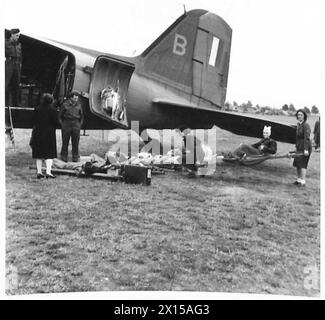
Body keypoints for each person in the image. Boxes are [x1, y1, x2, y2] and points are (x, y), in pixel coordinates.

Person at [31, 93, 59, 179]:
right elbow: (56, 122)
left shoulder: (37, 108)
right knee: (49, 154)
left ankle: (39, 172)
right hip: (49, 134)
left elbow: (33, 120)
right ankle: (48, 172)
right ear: (50, 100)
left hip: (37, 133)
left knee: (38, 154)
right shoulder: (53, 110)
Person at [59, 91, 84, 162]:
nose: (76, 99)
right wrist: (62, 124)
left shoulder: (79, 105)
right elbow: (60, 116)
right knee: (65, 141)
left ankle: (75, 157)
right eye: (75, 97)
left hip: (76, 124)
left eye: (77, 97)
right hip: (67, 124)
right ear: (71, 98)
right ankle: (64, 157)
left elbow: (81, 116)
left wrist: (79, 124)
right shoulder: (65, 105)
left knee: (75, 142)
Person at [293, 109, 312, 186]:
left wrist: (306, 149)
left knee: (303, 164)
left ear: (304, 116)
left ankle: (303, 182)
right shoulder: (299, 124)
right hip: (299, 147)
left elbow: (306, 138)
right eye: (298, 115)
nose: (299, 116)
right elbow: (297, 137)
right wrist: (296, 147)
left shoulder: (306, 125)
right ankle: (298, 180)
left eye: (301, 115)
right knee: (297, 163)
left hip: (305, 147)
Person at [5, 28, 22, 108]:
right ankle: (5, 103)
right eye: (16, 35)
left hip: (17, 64)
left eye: (18, 35)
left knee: (16, 85)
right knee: (6, 84)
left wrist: (20, 65)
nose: (18, 37)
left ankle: (16, 104)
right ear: (12, 35)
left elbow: (20, 56)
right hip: (9, 63)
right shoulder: (5, 43)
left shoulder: (19, 44)